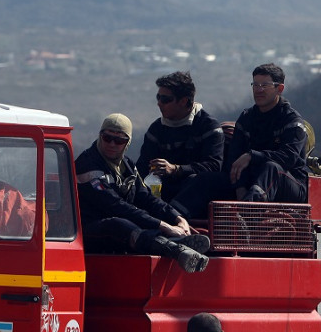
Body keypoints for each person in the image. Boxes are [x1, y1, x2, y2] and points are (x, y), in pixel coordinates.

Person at [170, 63, 309, 219]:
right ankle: (172, 219)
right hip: (250, 182)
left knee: (271, 168)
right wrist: (239, 187)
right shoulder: (247, 118)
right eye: (255, 84)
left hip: (288, 184)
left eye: (265, 85)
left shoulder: (291, 120)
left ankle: (246, 218)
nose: (259, 89)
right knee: (206, 179)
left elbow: (289, 157)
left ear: (279, 88)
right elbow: (234, 160)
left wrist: (252, 155)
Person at [75, 113, 209, 273]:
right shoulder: (87, 164)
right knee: (118, 224)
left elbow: (146, 198)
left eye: (119, 140)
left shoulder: (128, 166)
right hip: (88, 230)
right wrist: (164, 226)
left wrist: (177, 218)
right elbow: (114, 205)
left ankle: (176, 242)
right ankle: (176, 250)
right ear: (100, 136)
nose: (112, 144)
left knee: (131, 223)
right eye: (107, 137)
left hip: (122, 226)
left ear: (127, 143)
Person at [136, 71, 224, 203]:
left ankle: (172, 215)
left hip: (196, 194)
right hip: (162, 192)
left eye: (165, 99)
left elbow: (214, 166)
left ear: (183, 101)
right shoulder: (156, 129)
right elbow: (142, 167)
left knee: (199, 180)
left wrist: (176, 169)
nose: (159, 103)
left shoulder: (208, 127)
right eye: (158, 97)